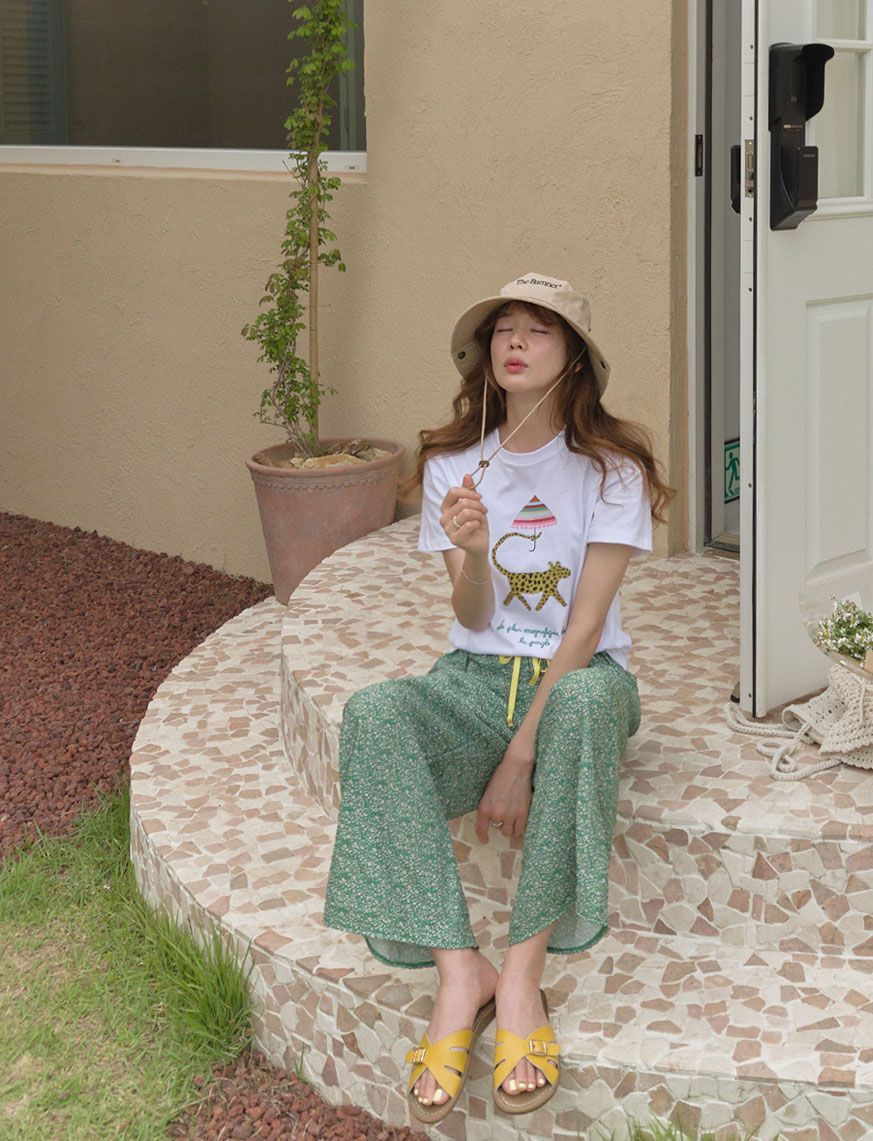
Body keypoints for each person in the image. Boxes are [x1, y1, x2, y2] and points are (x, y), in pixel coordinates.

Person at [323, 272, 673, 1123]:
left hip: (583, 680)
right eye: (503, 329)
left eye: (537, 329)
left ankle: (520, 978)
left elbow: (582, 629)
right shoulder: (453, 465)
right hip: (474, 680)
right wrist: (474, 550)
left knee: (580, 702)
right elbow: (472, 615)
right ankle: (460, 973)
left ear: (574, 359)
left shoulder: (611, 469)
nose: (514, 341)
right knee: (374, 712)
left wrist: (519, 757)